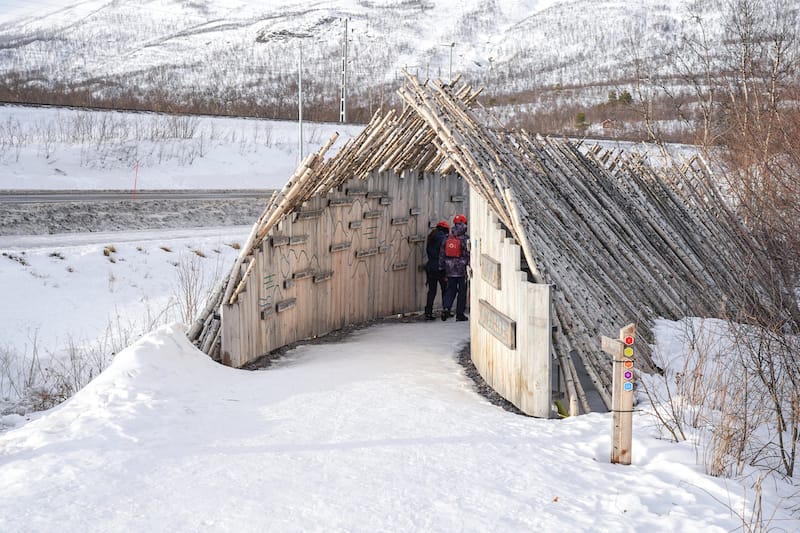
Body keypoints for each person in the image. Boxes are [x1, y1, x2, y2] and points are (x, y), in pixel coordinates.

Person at [439, 214, 469, 321]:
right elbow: (468, 254)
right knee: (462, 292)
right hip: (462, 270)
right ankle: (460, 314)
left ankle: (446, 307)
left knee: (450, 289)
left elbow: (442, 253)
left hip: (450, 269)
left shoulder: (448, 237)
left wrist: (442, 267)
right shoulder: (465, 239)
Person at [423, 220, 449, 320]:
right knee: (445, 290)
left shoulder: (431, 237)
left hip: (431, 267)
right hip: (440, 268)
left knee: (432, 291)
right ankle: (445, 310)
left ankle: (428, 312)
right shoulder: (443, 238)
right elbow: (444, 254)